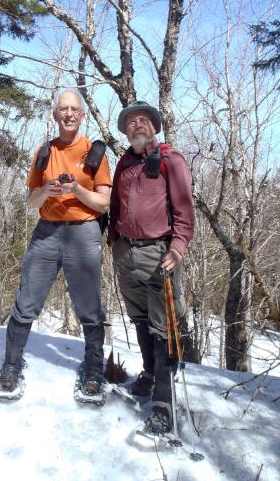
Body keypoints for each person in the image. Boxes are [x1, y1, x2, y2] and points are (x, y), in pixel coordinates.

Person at [0, 88, 112, 402]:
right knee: (27, 299)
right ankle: (11, 365)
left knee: (88, 305)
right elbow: (32, 201)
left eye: (74, 109)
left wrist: (76, 191)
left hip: (84, 232)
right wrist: (47, 189)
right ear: (56, 115)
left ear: (82, 115)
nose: (69, 114)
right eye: (63, 109)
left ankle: (94, 369)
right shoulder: (44, 151)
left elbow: (103, 203)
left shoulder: (95, 152)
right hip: (46, 232)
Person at [108, 100, 194, 435]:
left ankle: (164, 403)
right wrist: (114, 236)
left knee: (164, 329)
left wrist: (178, 247)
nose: (137, 125)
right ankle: (147, 376)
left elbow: (185, 212)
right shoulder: (124, 162)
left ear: (154, 126)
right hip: (126, 253)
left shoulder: (172, 160)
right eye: (130, 123)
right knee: (141, 319)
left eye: (143, 120)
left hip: (159, 254)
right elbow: (116, 203)